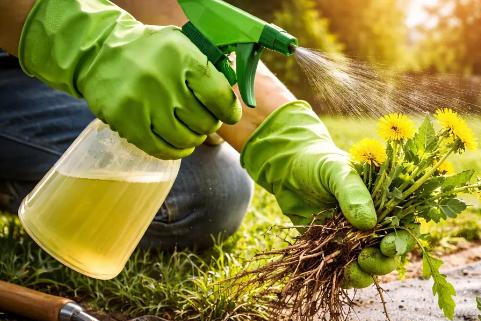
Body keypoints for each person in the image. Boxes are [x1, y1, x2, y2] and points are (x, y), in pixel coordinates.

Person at [0, 0, 410, 286]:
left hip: (31, 62)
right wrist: (94, 44)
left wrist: (288, 145)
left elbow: (170, 11)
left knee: (208, 190)